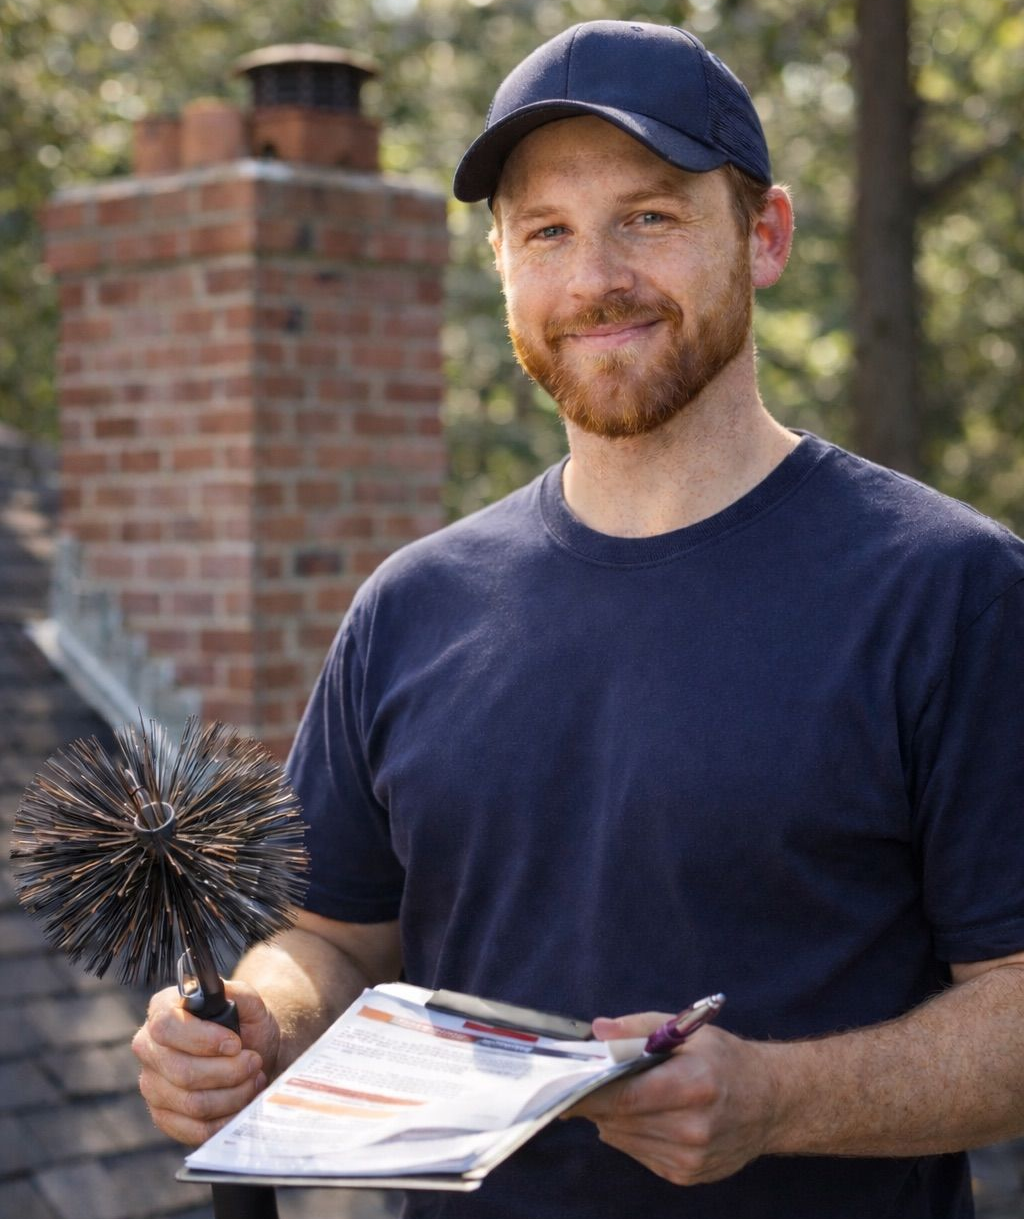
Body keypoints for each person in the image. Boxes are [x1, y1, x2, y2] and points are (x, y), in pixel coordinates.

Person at [132, 20, 1024, 1219]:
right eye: (545, 231)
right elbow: (330, 939)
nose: (592, 276)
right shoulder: (411, 608)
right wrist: (254, 1022)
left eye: (647, 217)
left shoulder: (948, 588)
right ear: (502, 265)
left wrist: (776, 1098)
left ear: (762, 235)